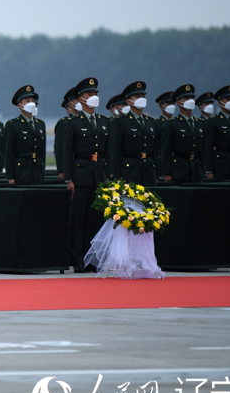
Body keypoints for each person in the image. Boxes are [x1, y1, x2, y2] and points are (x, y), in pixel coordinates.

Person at [62, 77, 110, 273]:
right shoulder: (73, 123)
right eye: (90, 94)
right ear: (81, 99)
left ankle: (93, 258)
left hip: (98, 175)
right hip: (80, 175)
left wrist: (108, 175)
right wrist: (68, 179)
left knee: (94, 219)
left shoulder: (104, 121)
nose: (94, 97)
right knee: (78, 219)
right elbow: (66, 153)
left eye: (96, 93)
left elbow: (107, 152)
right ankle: (77, 259)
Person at [110, 81, 159, 186]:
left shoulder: (151, 122)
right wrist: (117, 175)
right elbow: (115, 151)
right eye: (137, 97)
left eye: (143, 96)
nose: (141, 99)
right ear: (129, 101)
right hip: (130, 170)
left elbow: (155, 150)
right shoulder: (120, 122)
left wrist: (156, 174)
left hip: (148, 171)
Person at [161, 84, 205, 184]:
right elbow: (165, 150)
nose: (190, 101)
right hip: (179, 169)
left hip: (196, 169)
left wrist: (203, 169)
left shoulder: (200, 123)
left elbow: (203, 150)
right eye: (186, 98)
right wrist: (166, 173)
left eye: (192, 98)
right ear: (178, 102)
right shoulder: (172, 124)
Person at [3, 85, 46, 185]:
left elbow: (42, 152)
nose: (31, 103)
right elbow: (8, 153)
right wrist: (10, 176)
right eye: (27, 101)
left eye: (32, 100)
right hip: (21, 172)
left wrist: (42, 171)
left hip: (37, 171)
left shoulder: (40, 124)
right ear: (19, 105)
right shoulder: (13, 125)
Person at [204, 85, 230, 181]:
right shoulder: (214, 121)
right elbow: (208, 146)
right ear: (220, 102)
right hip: (221, 165)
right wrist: (209, 170)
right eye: (228, 99)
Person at [54, 87, 80, 180]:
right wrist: (61, 170)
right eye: (76, 100)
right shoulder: (63, 123)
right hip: (71, 165)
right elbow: (59, 148)